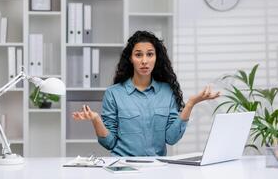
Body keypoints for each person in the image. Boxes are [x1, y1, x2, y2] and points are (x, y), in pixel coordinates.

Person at [72, 31, 220, 156]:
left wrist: (190, 104)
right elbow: (109, 143)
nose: (144, 61)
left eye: (150, 54)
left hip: (157, 169)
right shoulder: (113, 93)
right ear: (130, 58)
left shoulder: (167, 91)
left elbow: (171, 138)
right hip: (123, 169)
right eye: (138, 55)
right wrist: (96, 119)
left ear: (156, 58)